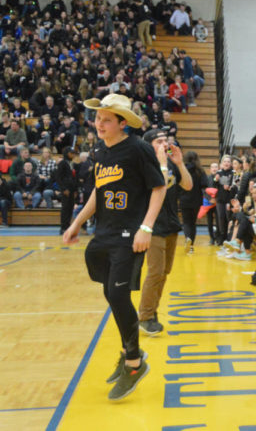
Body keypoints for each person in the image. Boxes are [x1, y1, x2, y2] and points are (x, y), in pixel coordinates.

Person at [62, 93, 166, 401]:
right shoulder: (100, 151)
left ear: (122, 123)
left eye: (106, 119)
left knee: (119, 293)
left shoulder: (138, 149)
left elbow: (158, 188)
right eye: (97, 118)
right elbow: (98, 190)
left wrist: (146, 228)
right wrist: (77, 222)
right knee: (111, 292)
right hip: (104, 233)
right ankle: (128, 351)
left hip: (129, 233)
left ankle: (134, 363)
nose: (99, 124)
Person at [138, 130, 192, 336]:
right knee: (155, 272)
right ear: (148, 145)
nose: (164, 144)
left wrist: (179, 163)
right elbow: (158, 186)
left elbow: (187, 185)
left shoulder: (169, 164)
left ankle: (152, 312)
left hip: (170, 224)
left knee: (165, 272)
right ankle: (145, 316)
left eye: (166, 141)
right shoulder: (143, 165)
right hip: (152, 226)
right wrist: (161, 163)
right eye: (159, 141)